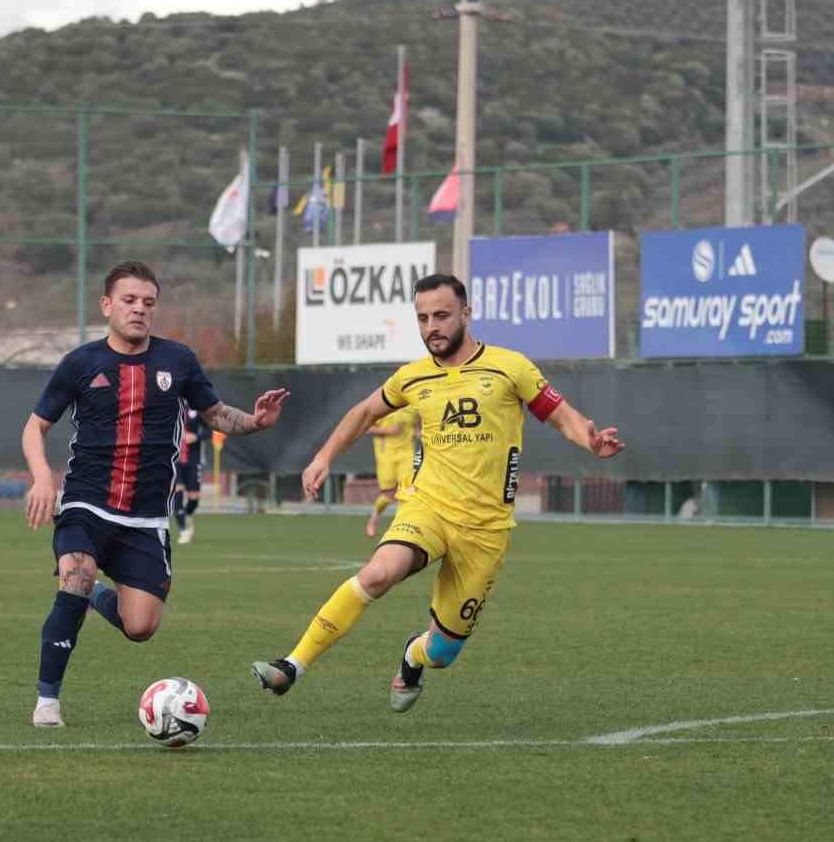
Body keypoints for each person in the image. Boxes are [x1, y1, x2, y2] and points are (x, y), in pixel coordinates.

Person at [251, 274, 624, 711]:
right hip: (427, 506)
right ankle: (292, 665)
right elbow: (365, 411)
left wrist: (590, 441)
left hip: (486, 529)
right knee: (377, 573)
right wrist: (323, 457)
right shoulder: (413, 377)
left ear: (466, 313)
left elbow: (560, 416)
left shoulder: (510, 367)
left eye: (442, 315)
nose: (432, 326)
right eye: (423, 317)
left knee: (442, 653)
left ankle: (413, 655)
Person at [22, 260, 289, 727]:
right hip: (86, 502)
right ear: (107, 305)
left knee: (140, 627)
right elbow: (35, 426)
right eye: (128, 300)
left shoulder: (178, 360)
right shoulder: (81, 363)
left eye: (148, 302)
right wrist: (43, 477)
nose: (139, 310)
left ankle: (94, 594)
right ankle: (48, 701)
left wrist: (255, 422)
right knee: (75, 577)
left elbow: (217, 414)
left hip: (145, 519)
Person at [364, 402, 421, 537]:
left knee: (408, 491)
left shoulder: (413, 407)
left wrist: (420, 433)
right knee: (388, 494)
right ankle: (375, 518)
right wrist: (387, 431)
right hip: (386, 454)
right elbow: (368, 428)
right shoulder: (382, 406)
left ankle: (402, 526)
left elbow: (417, 426)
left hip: (406, 453)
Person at [172, 402, 212, 544]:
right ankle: (183, 531)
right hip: (175, 461)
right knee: (177, 496)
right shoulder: (171, 407)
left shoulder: (197, 410)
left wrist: (195, 436)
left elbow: (209, 431)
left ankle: (188, 514)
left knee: (193, 498)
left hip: (193, 461)